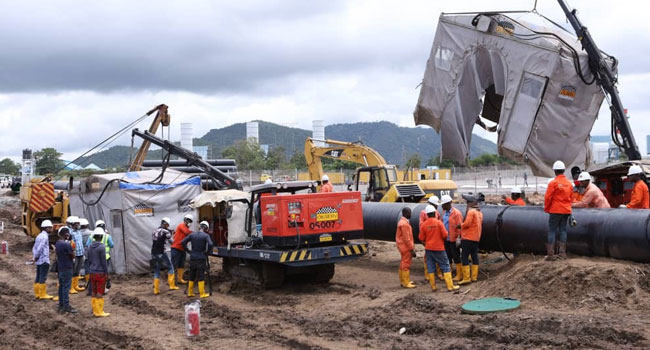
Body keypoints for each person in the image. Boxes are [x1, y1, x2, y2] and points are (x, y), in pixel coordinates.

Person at [419, 205, 459, 292]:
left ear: (427, 214)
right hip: (439, 248)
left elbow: (421, 238)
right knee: (445, 266)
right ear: (434, 213)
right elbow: (445, 235)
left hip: (429, 249)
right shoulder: (439, 223)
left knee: (430, 266)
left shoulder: (424, 225)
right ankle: (450, 286)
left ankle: (433, 287)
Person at [544, 160, 573, 261]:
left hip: (555, 210)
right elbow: (570, 199)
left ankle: (551, 255)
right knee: (563, 230)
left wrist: (547, 209)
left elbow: (548, 198)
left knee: (552, 230)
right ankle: (562, 254)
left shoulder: (553, 183)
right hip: (565, 211)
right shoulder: (569, 184)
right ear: (564, 170)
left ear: (555, 171)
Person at [182, 221, 214, 298]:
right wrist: (207, 252)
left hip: (193, 257)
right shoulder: (206, 236)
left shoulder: (192, 235)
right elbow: (210, 244)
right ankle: (202, 293)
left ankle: (190, 292)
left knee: (192, 274)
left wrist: (188, 251)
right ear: (206, 228)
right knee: (201, 275)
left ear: (199, 227)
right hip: (201, 257)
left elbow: (183, 242)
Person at [457, 194, 483, 285]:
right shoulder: (479, 212)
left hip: (468, 238)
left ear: (471, 203)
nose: (467, 204)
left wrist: (460, 226)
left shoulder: (471, 212)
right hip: (476, 238)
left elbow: (467, 224)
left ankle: (466, 278)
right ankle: (474, 277)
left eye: (467, 202)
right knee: (474, 256)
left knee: (464, 256)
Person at [152, 217, 178, 294]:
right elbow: (172, 242)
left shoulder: (154, 231)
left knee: (157, 270)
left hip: (154, 252)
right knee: (170, 267)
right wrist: (172, 235)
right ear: (166, 224)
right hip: (162, 252)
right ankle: (172, 285)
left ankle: (156, 290)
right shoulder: (166, 232)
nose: (168, 226)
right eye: (168, 224)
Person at [440, 195, 464, 282]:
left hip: (453, 239)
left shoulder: (456, 213)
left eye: (444, 204)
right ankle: (448, 273)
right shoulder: (444, 213)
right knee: (447, 256)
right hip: (446, 238)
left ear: (449, 203)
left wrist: (459, 237)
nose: (442, 206)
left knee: (456, 256)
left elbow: (460, 226)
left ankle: (459, 275)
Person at [55, 227, 77, 313]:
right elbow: (72, 255)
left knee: (61, 286)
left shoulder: (58, 243)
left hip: (60, 267)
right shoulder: (66, 245)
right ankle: (66, 306)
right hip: (67, 267)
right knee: (66, 287)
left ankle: (61, 304)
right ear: (66, 234)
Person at [419, 196, 441, 281]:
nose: (437, 207)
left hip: (436, 237)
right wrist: (423, 240)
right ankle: (428, 274)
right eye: (436, 205)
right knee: (428, 256)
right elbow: (421, 226)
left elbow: (439, 223)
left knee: (438, 255)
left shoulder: (436, 213)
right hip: (428, 238)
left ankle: (438, 273)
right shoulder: (423, 213)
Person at [32, 220, 55, 300]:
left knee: (38, 277)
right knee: (43, 277)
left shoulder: (39, 236)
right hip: (44, 260)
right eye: (51, 228)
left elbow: (35, 247)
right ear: (47, 228)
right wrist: (36, 256)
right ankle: (42, 294)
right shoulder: (45, 237)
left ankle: (37, 294)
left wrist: (35, 257)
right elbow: (39, 248)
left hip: (39, 260)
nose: (52, 229)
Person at [395, 207, 416, 288]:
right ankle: (406, 282)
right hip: (406, 247)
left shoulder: (401, 222)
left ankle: (403, 281)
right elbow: (406, 238)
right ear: (406, 214)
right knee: (406, 264)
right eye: (410, 213)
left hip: (402, 246)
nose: (411, 214)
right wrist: (411, 249)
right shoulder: (404, 224)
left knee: (403, 263)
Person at [171, 214, 193, 285]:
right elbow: (187, 232)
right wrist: (196, 233)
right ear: (185, 220)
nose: (189, 222)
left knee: (181, 264)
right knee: (174, 264)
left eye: (190, 221)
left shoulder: (186, 228)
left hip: (182, 249)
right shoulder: (181, 225)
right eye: (188, 220)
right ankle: (172, 281)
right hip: (176, 248)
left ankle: (180, 279)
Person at [67, 216, 85, 294]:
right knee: (72, 271)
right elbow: (70, 245)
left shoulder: (78, 232)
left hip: (80, 253)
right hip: (75, 254)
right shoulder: (70, 233)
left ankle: (75, 286)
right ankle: (71, 287)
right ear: (72, 224)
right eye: (77, 224)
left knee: (77, 270)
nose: (78, 225)